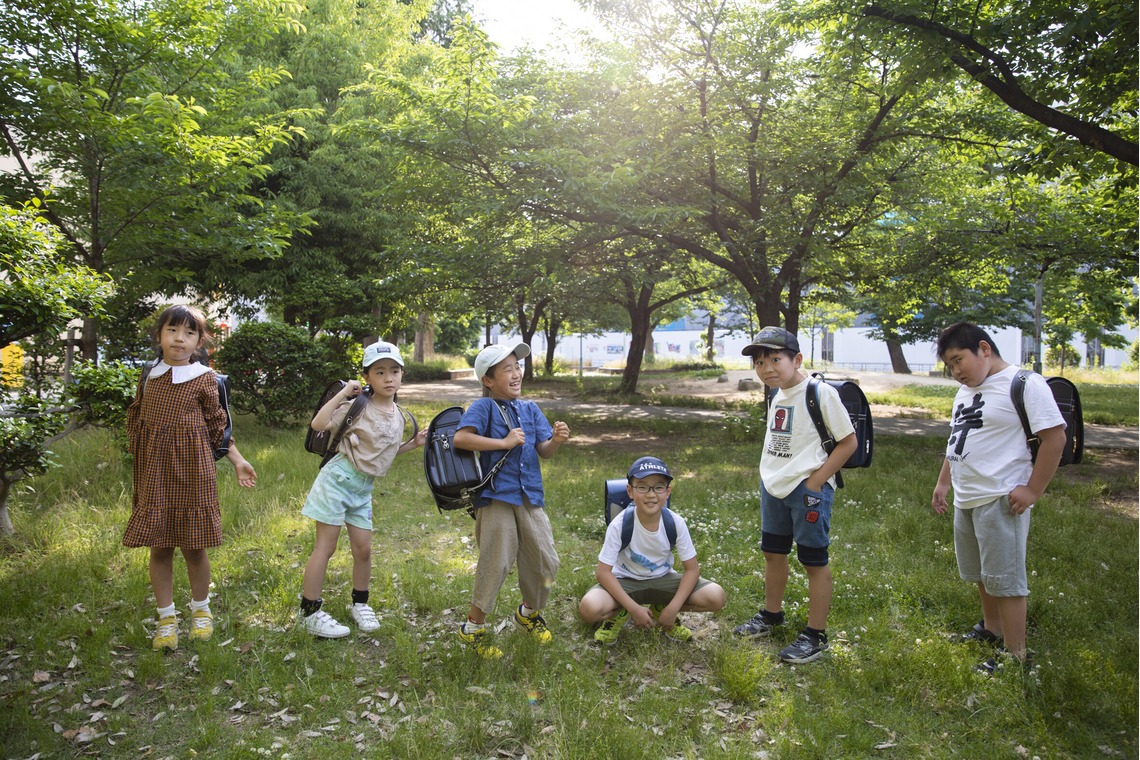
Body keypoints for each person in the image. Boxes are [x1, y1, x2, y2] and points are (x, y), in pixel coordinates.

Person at [931, 322, 1065, 674]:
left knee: (1005, 579)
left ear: (984, 349)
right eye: (950, 365)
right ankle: (991, 630)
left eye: (959, 360)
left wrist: (1032, 489)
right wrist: (944, 482)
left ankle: (1015, 654)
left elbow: (1055, 439)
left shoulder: (1024, 384)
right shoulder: (965, 391)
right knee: (982, 573)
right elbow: (957, 440)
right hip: (968, 497)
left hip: (1000, 497)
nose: (956, 371)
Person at [124, 305, 257, 651]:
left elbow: (218, 427)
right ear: (159, 335)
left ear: (200, 340)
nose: (179, 339)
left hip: (193, 472)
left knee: (194, 547)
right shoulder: (148, 374)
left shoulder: (204, 378)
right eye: (171, 330)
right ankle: (166, 618)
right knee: (160, 545)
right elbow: (136, 416)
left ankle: (201, 611)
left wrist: (238, 460)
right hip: (155, 473)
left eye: (188, 333)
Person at [732, 326, 856, 664]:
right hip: (774, 486)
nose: (767, 368)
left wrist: (816, 482)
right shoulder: (774, 393)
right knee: (774, 553)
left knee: (813, 560)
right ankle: (771, 616)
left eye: (775, 359)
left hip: (807, 492)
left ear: (797, 359)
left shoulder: (820, 392)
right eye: (759, 362)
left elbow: (849, 443)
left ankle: (815, 635)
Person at [298, 341, 427, 638]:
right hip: (337, 481)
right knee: (325, 547)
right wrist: (344, 392)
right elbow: (317, 423)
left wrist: (413, 444)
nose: (388, 378)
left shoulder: (399, 415)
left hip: (362, 489)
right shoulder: (357, 407)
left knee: (364, 549)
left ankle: (360, 603)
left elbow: (384, 454)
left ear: (402, 375)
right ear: (367, 377)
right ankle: (309, 611)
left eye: (394, 371)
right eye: (379, 372)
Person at [452, 343, 570, 658]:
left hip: (529, 494)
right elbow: (460, 438)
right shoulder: (484, 407)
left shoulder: (530, 409)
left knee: (545, 559)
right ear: (488, 380)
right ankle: (473, 629)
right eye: (507, 369)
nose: (516, 373)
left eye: (518, 366)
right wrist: (502, 442)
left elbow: (542, 450)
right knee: (496, 562)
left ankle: (528, 614)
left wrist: (555, 440)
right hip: (495, 496)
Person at [579, 456, 726, 645]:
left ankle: (661, 609)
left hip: (663, 579)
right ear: (630, 491)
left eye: (658, 487)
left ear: (668, 491)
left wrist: (673, 608)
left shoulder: (675, 522)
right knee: (589, 609)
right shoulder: (619, 524)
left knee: (716, 597)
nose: (651, 494)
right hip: (625, 581)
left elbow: (692, 570)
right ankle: (620, 613)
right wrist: (633, 609)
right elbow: (603, 573)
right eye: (642, 487)